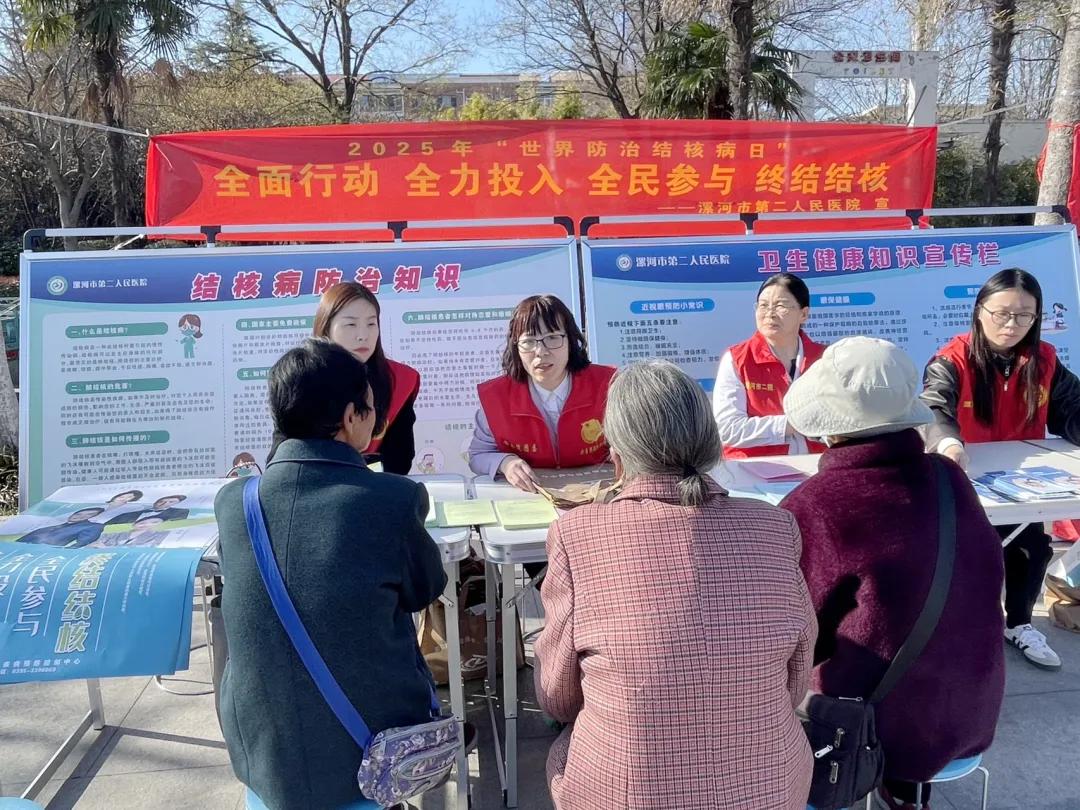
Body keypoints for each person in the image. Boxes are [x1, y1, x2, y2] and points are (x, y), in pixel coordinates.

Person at [535, 360, 816, 810]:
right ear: (710, 442)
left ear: (617, 453)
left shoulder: (577, 533)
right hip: (771, 789)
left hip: (624, 794)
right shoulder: (775, 526)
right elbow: (795, 680)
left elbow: (557, 697)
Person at [215, 338, 447, 810]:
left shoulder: (235, 502)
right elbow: (425, 588)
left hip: (262, 756)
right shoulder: (392, 499)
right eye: (370, 406)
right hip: (370, 753)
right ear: (349, 417)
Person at [780, 337, 1005, 810]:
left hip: (867, 733)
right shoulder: (948, 477)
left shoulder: (816, 503)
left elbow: (792, 635)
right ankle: (906, 794)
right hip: (970, 715)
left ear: (829, 427)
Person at [921, 268, 1080, 670]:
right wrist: (948, 443)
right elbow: (935, 407)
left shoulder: (1044, 360)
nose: (1012, 324)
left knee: (1031, 548)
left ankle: (1020, 623)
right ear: (980, 311)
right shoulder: (951, 359)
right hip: (966, 480)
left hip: (1022, 483)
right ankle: (959, 631)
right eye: (1002, 313)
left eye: (1024, 315)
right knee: (966, 556)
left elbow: (1071, 411)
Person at [267, 282, 419, 475]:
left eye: (371, 324)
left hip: (369, 485)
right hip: (308, 479)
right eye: (351, 324)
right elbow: (281, 453)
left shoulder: (398, 379)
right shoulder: (301, 378)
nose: (363, 335)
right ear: (326, 328)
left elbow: (400, 460)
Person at [469, 295, 616, 492]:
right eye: (529, 341)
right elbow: (478, 455)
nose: (541, 351)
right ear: (516, 347)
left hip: (600, 496)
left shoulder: (610, 385)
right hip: (530, 498)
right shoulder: (496, 397)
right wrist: (505, 463)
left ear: (571, 340)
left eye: (552, 338)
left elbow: (638, 448)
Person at [712, 272, 827, 458]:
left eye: (780, 306)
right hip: (755, 470)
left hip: (817, 465)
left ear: (804, 314)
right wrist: (790, 424)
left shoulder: (825, 359)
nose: (770, 314)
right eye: (763, 305)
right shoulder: (738, 359)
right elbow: (728, 429)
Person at [16, 507, 105, 548]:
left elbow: (80, 544)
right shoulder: (57, 524)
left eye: (89, 515)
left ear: (93, 517)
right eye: (78, 514)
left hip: (44, 553)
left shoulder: (93, 526)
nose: (80, 516)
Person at [106, 495, 189, 526]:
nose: (164, 503)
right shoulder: (128, 514)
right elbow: (107, 525)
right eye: (162, 501)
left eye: (171, 502)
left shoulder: (179, 512)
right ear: (156, 501)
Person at [95, 516, 169, 548]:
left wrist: (106, 548)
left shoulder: (163, 535)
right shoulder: (115, 534)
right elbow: (95, 541)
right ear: (134, 525)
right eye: (142, 523)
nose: (147, 525)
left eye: (154, 522)